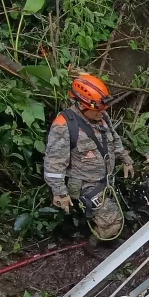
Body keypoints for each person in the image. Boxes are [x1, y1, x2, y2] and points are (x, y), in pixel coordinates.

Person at [44, 73, 135, 244]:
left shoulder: (101, 117)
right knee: (114, 223)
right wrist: (60, 193)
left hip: (104, 181)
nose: (103, 112)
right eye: (98, 109)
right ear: (82, 105)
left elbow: (114, 140)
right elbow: (53, 165)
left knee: (113, 213)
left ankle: (102, 230)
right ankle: (94, 244)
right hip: (86, 185)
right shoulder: (64, 126)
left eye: (103, 109)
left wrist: (126, 159)